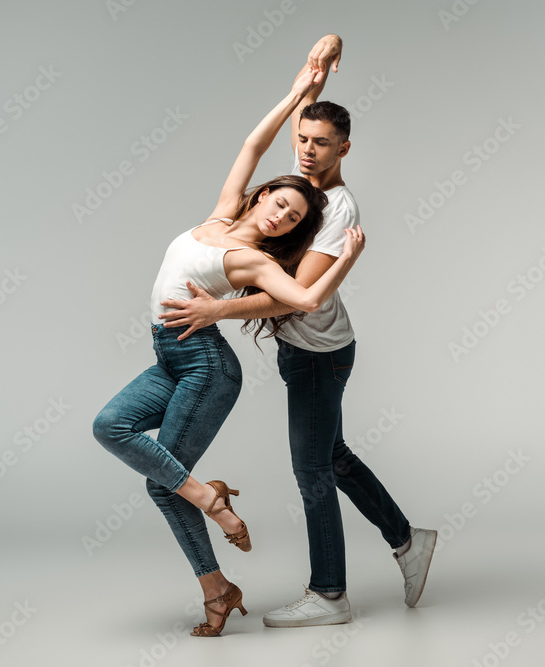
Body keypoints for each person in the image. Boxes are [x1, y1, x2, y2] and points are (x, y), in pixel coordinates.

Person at [158, 34, 437, 628]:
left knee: (311, 470)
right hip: (300, 352)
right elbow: (258, 142)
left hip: (321, 351)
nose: (308, 152)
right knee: (332, 457)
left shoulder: (336, 209)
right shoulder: (291, 190)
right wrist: (313, 72)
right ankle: (408, 540)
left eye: (322, 145)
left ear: (346, 148)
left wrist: (214, 312)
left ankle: (330, 594)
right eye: (303, 141)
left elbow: (301, 298)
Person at [92, 65, 366, 638]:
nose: (280, 215)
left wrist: (346, 257)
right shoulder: (221, 214)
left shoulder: (257, 261)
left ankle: (215, 587)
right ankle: (208, 500)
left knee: (159, 479)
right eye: (278, 203)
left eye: (292, 218)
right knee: (111, 425)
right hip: (169, 355)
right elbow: (253, 143)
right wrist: (297, 94)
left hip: (205, 366)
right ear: (262, 194)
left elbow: (308, 298)